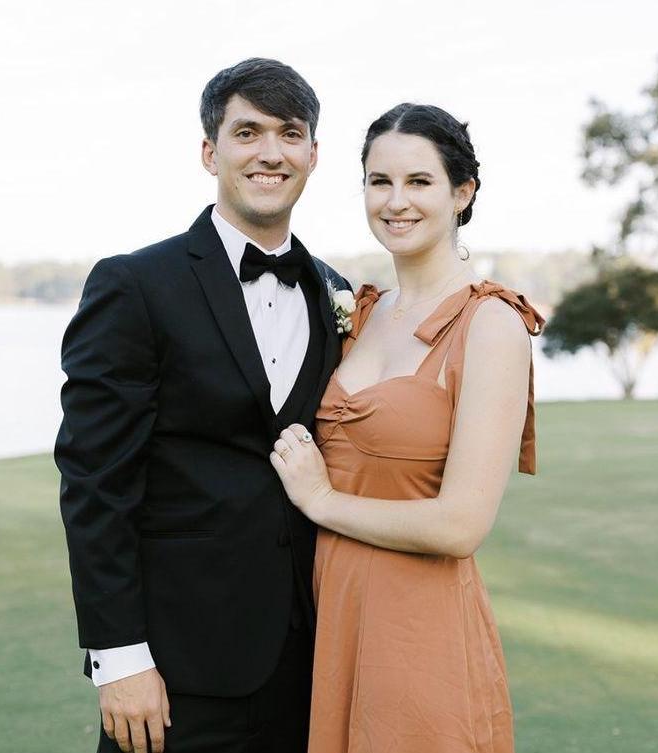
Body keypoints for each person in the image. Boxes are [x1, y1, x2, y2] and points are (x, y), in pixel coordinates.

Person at [55, 58, 350, 753]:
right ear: (210, 152)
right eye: (247, 132)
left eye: (290, 133)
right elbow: (95, 481)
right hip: (173, 669)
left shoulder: (333, 291)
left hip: (309, 663)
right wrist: (119, 657)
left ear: (313, 155)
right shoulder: (135, 284)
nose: (270, 152)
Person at [270, 103, 545, 753]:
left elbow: (460, 525)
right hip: (333, 620)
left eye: (419, 181)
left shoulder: (490, 325)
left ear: (462, 192)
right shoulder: (359, 313)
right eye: (379, 181)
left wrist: (320, 499)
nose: (396, 201)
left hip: (418, 636)